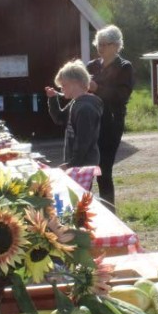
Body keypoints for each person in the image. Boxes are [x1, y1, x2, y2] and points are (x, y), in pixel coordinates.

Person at [86, 25, 134, 210]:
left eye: (104, 44)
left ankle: (110, 213)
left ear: (116, 45)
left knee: (104, 171)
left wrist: (97, 88)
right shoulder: (91, 66)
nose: (100, 48)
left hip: (112, 122)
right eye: (98, 44)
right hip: (91, 121)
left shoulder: (124, 67)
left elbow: (121, 96)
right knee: (88, 169)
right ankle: (86, 212)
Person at [45, 59, 103, 169]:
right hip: (76, 162)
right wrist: (52, 99)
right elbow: (59, 118)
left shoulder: (85, 108)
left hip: (83, 164)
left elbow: (83, 143)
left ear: (74, 83)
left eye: (63, 85)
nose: (61, 89)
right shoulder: (76, 102)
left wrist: (71, 164)